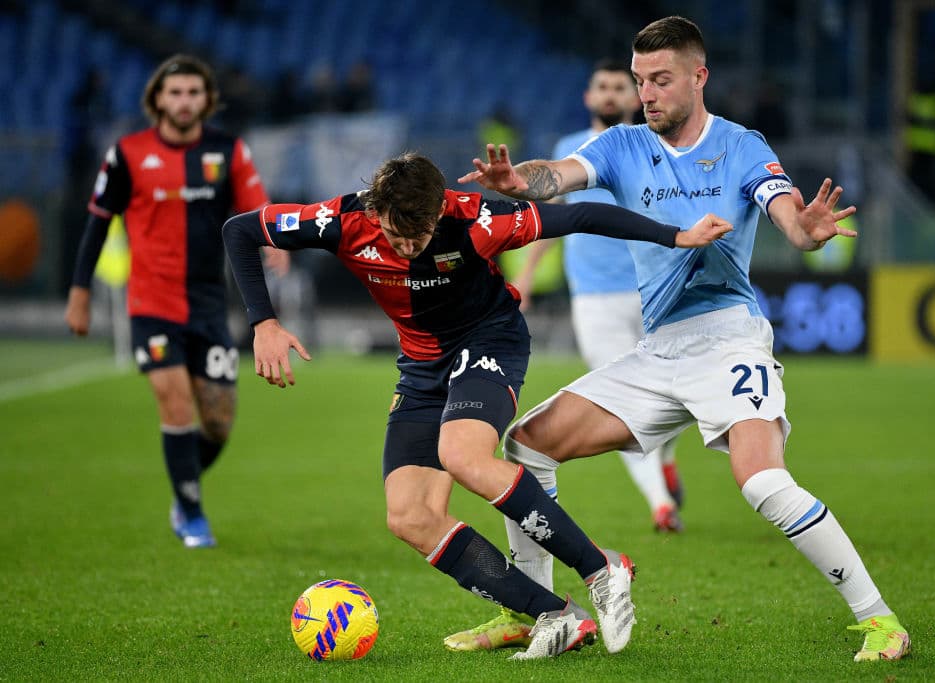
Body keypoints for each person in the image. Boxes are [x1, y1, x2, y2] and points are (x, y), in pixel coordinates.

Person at [455, 16, 910, 663]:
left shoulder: (742, 146)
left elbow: (791, 218)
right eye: (641, 81)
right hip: (658, 349)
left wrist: (806, 232)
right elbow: (554, 174)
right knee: (527, 444)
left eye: (660, 80)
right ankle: (536, 609)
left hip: (728, 341)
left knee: (762, 481)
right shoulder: (623, 146)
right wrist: (516, 182)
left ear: (699, 76)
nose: (648, 94)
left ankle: (881, 619)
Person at [222, 152, 733, 659]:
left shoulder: (477, 219)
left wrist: (675, 235)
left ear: (438, 214)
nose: (404, 249)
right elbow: (240, 230)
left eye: (416, 239)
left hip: (489, 341)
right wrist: (263, 322)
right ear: (375, 212)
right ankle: (555, 616)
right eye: (394, 237)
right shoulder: (341, 220)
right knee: (410, 517)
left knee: (462, 455)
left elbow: (580, 215)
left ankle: (602, 567)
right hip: (422, 367)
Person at [64, 54, 283, 549]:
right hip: (151, 302)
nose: (184, 101)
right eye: (175, 92)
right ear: (158, 99)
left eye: (193, 92)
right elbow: (97, 221)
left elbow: (256, 211)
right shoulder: (127, 154)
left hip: (208, 304)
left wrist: (273, 246)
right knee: (175, 400)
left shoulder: (228, 151)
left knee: (219, 422)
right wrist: (79, 293)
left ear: (207, 99)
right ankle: (191, 511)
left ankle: (183, 484)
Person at [515, 59, 685, 534]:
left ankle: (666, 459)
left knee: (675, 394)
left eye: (619, 87)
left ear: (635, 98)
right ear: (589, 98)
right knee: (625, 405)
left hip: (657, 290)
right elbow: (546, 221)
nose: (610, 94)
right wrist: (527, 275)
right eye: (602, 87)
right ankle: (661, 502)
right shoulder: (568, 152)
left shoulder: (657, 147)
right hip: (594, 298)